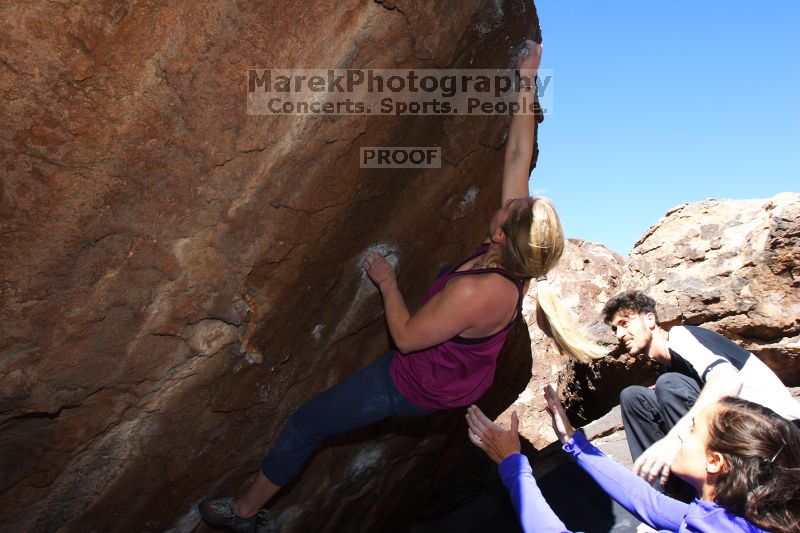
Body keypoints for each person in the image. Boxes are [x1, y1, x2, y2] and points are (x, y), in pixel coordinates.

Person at [198, 41, 605, 533]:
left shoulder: (482, 291)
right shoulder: (513, 250)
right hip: (455, 368)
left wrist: (387, 281)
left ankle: (243, 513)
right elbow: (518, 152)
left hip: (417, 382)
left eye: (517, 205)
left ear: (501, 233)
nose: (516, 196)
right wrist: (527, 77)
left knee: (307, 423)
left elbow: (409, 339)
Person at [466, 386, 800, 533]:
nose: (679, 435)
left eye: (692, 431)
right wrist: (573, 443)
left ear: (715, 462)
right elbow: (651, 505)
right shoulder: (737, 519)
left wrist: (512, 464)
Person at [602, 291, 800, 490]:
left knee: (669, 384)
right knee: (634, 398)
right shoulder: (672, 367)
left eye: (624, 323)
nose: (619, 335)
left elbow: (728, 379)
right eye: (614, 329)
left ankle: (715, 494)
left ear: (650, 319)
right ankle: (667, 502)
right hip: (742, 435)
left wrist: (674, 440)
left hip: (778, 437)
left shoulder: (682, 336)